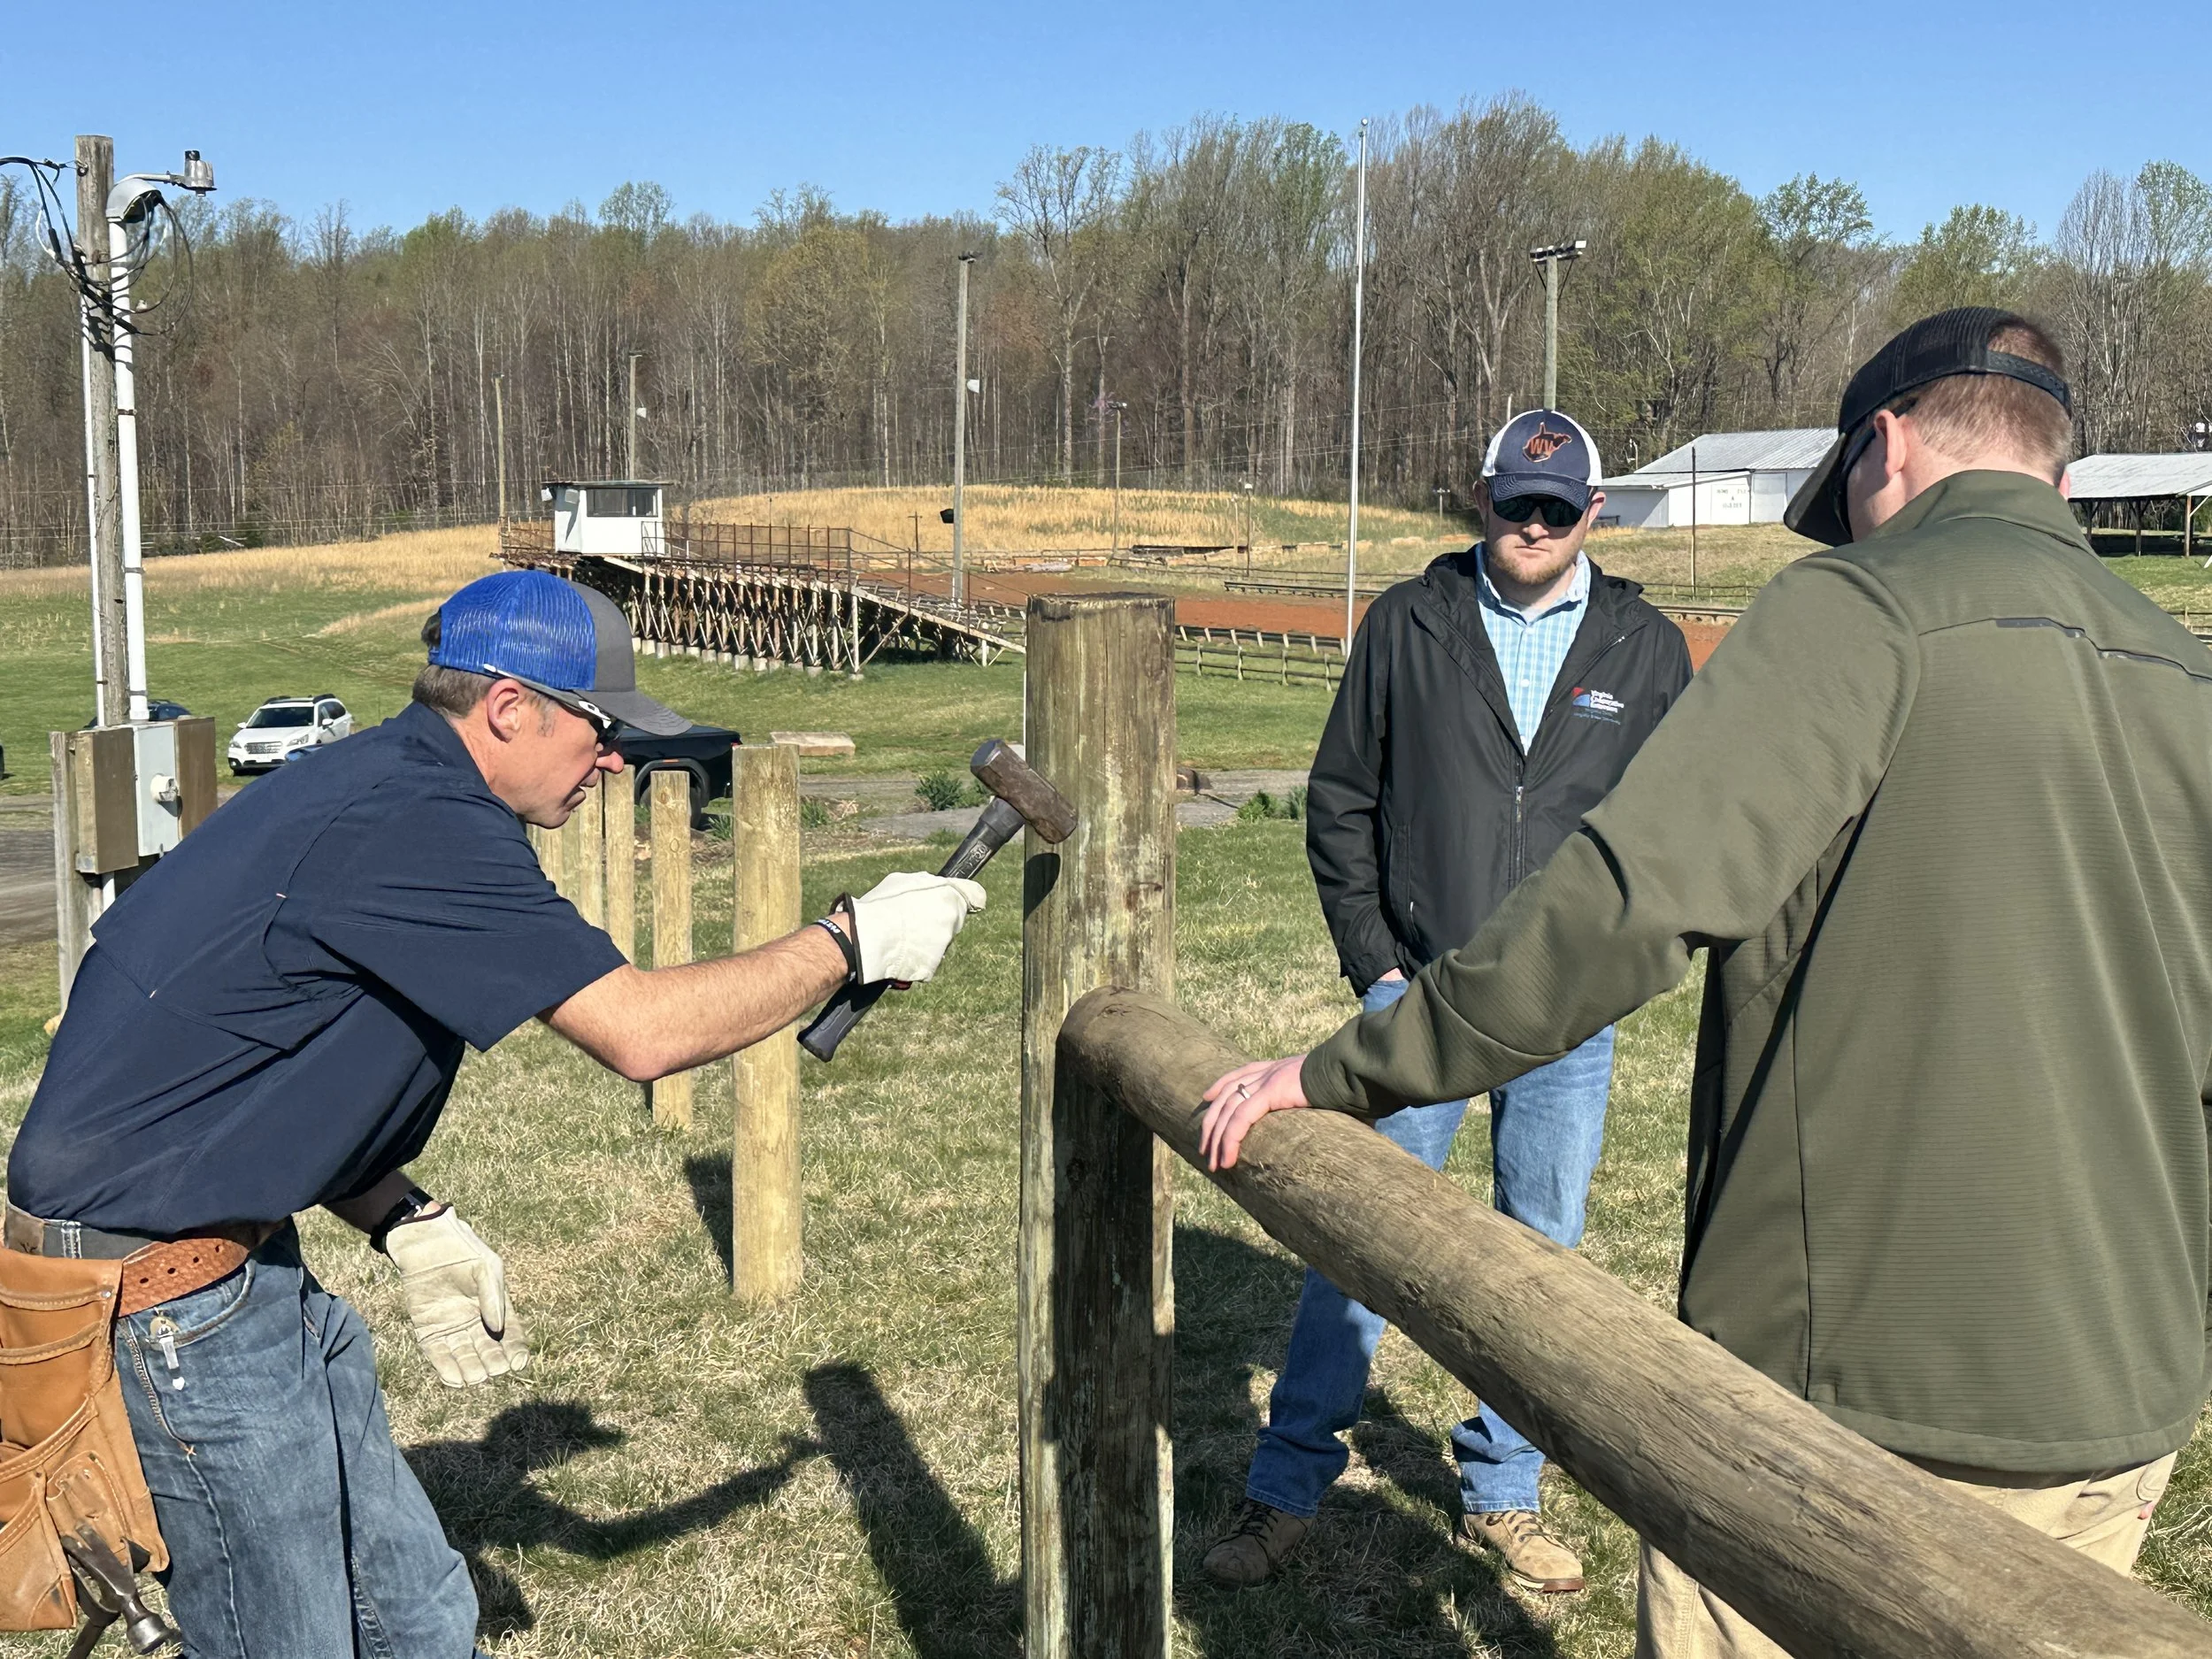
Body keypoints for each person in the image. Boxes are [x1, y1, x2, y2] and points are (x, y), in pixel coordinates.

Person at [1196, 308, 2212, 1653]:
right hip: (2120, 1401)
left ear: (1886, 448)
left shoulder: (1858, 608)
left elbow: (1632, 896)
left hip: (1843, 1409)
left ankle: (1491, 1484)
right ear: (2063, 478)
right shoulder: (2189, 672)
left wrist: (1340, 1066)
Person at [4, 569, 987, 1659]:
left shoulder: (387, 788)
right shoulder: (413, 818)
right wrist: (848, 941)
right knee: (289, 1640)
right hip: (162, 1307)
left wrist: (402, 1215)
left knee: (417, 1616)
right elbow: (643, 1034)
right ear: (511, 708)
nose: (615, 759)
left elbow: (261, 1055)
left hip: (235, 1270)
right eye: (603, 729)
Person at [1203, 408, 1694, 1595]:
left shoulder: (1646, 649)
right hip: (1416, 1000)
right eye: (1513, 503)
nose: (1532, 524)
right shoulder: (1407, 624)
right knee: (1359, 1248)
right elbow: (1341, 802)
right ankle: (1286, 1486)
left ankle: (1503, 1491)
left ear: (1593, 512)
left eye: (1557, 506)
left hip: (1567, 1019)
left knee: (1540, 1258)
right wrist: (1376, 961)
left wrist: (1609, 972)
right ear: (1482, 501)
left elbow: (1675, 834)